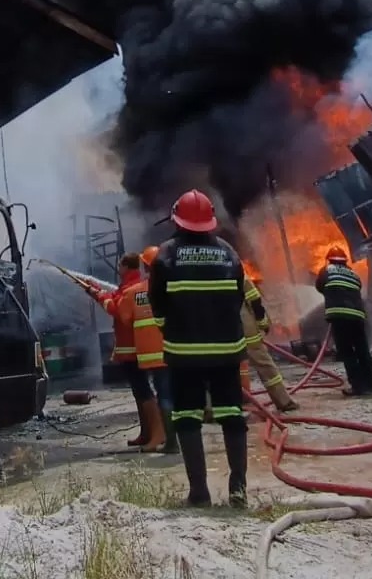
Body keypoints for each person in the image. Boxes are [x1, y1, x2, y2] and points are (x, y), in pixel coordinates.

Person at [148, 189, 250, 508]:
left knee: (187, 417)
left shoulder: (165, 255)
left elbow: (157, 306)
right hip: (226, 350)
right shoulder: (229, 253)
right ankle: (238, 489)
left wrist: (172, 329)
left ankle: (199, 493)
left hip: (184, 353)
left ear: (177, 221)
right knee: (232, 414)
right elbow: (238, 298)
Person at [91, 253, 159, 448]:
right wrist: (95, 290)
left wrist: (99, 296)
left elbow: (117, 309)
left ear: (126, 267)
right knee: (139, 392)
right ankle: (146, 433)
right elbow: (116, 298)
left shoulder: (132, 289)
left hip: (133, 349)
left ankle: (156, 433)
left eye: (120, 264)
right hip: (133, 348)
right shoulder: (130, 286)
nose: (118, 268)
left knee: (143, 391)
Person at [314, 245, 372, 398]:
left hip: (339, 316)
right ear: (344, 260)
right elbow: (357, 288)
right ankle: (371, 387)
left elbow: (319, 286)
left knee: (347, 352)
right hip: (357, 317)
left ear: (329, 260)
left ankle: (357, 387)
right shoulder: (353, 274)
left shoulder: (326, 270)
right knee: (363, 351)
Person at [131, 245, 174, 453]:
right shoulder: (172, 286)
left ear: (146, 266)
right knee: (172, 395)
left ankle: (172, 443)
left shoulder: (136, 291)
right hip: (173, 350)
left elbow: (122, 314)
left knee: (164, 396)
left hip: (152, 355)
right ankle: (173, 441)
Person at [240, 272, 299, 413]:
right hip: (245, 326)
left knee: (218, 367)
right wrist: (263, 323)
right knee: (264, 364)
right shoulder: (233, 267)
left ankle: (217, 409)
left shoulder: (198, 271)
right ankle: (284, 401)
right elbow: (254, 299)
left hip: (218, 330)